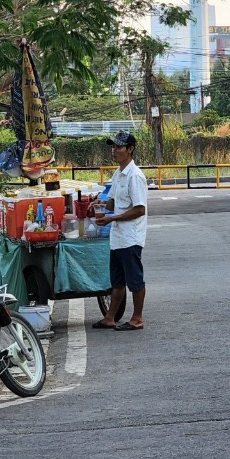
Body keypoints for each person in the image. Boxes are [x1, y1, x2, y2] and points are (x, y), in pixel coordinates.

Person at [89, 130, 148, 331]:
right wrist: (101, 204)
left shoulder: (135, 176)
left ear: (130, 149)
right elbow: (114, 202)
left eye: (119, 147)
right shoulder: (118, 173)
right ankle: (110, 317)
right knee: (117, 280)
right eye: (113, 147)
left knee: (134, 279)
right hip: (118, 236)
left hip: (131, 236)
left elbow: (140, 209)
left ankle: (137, 318)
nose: (114, 150)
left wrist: (111, 218)